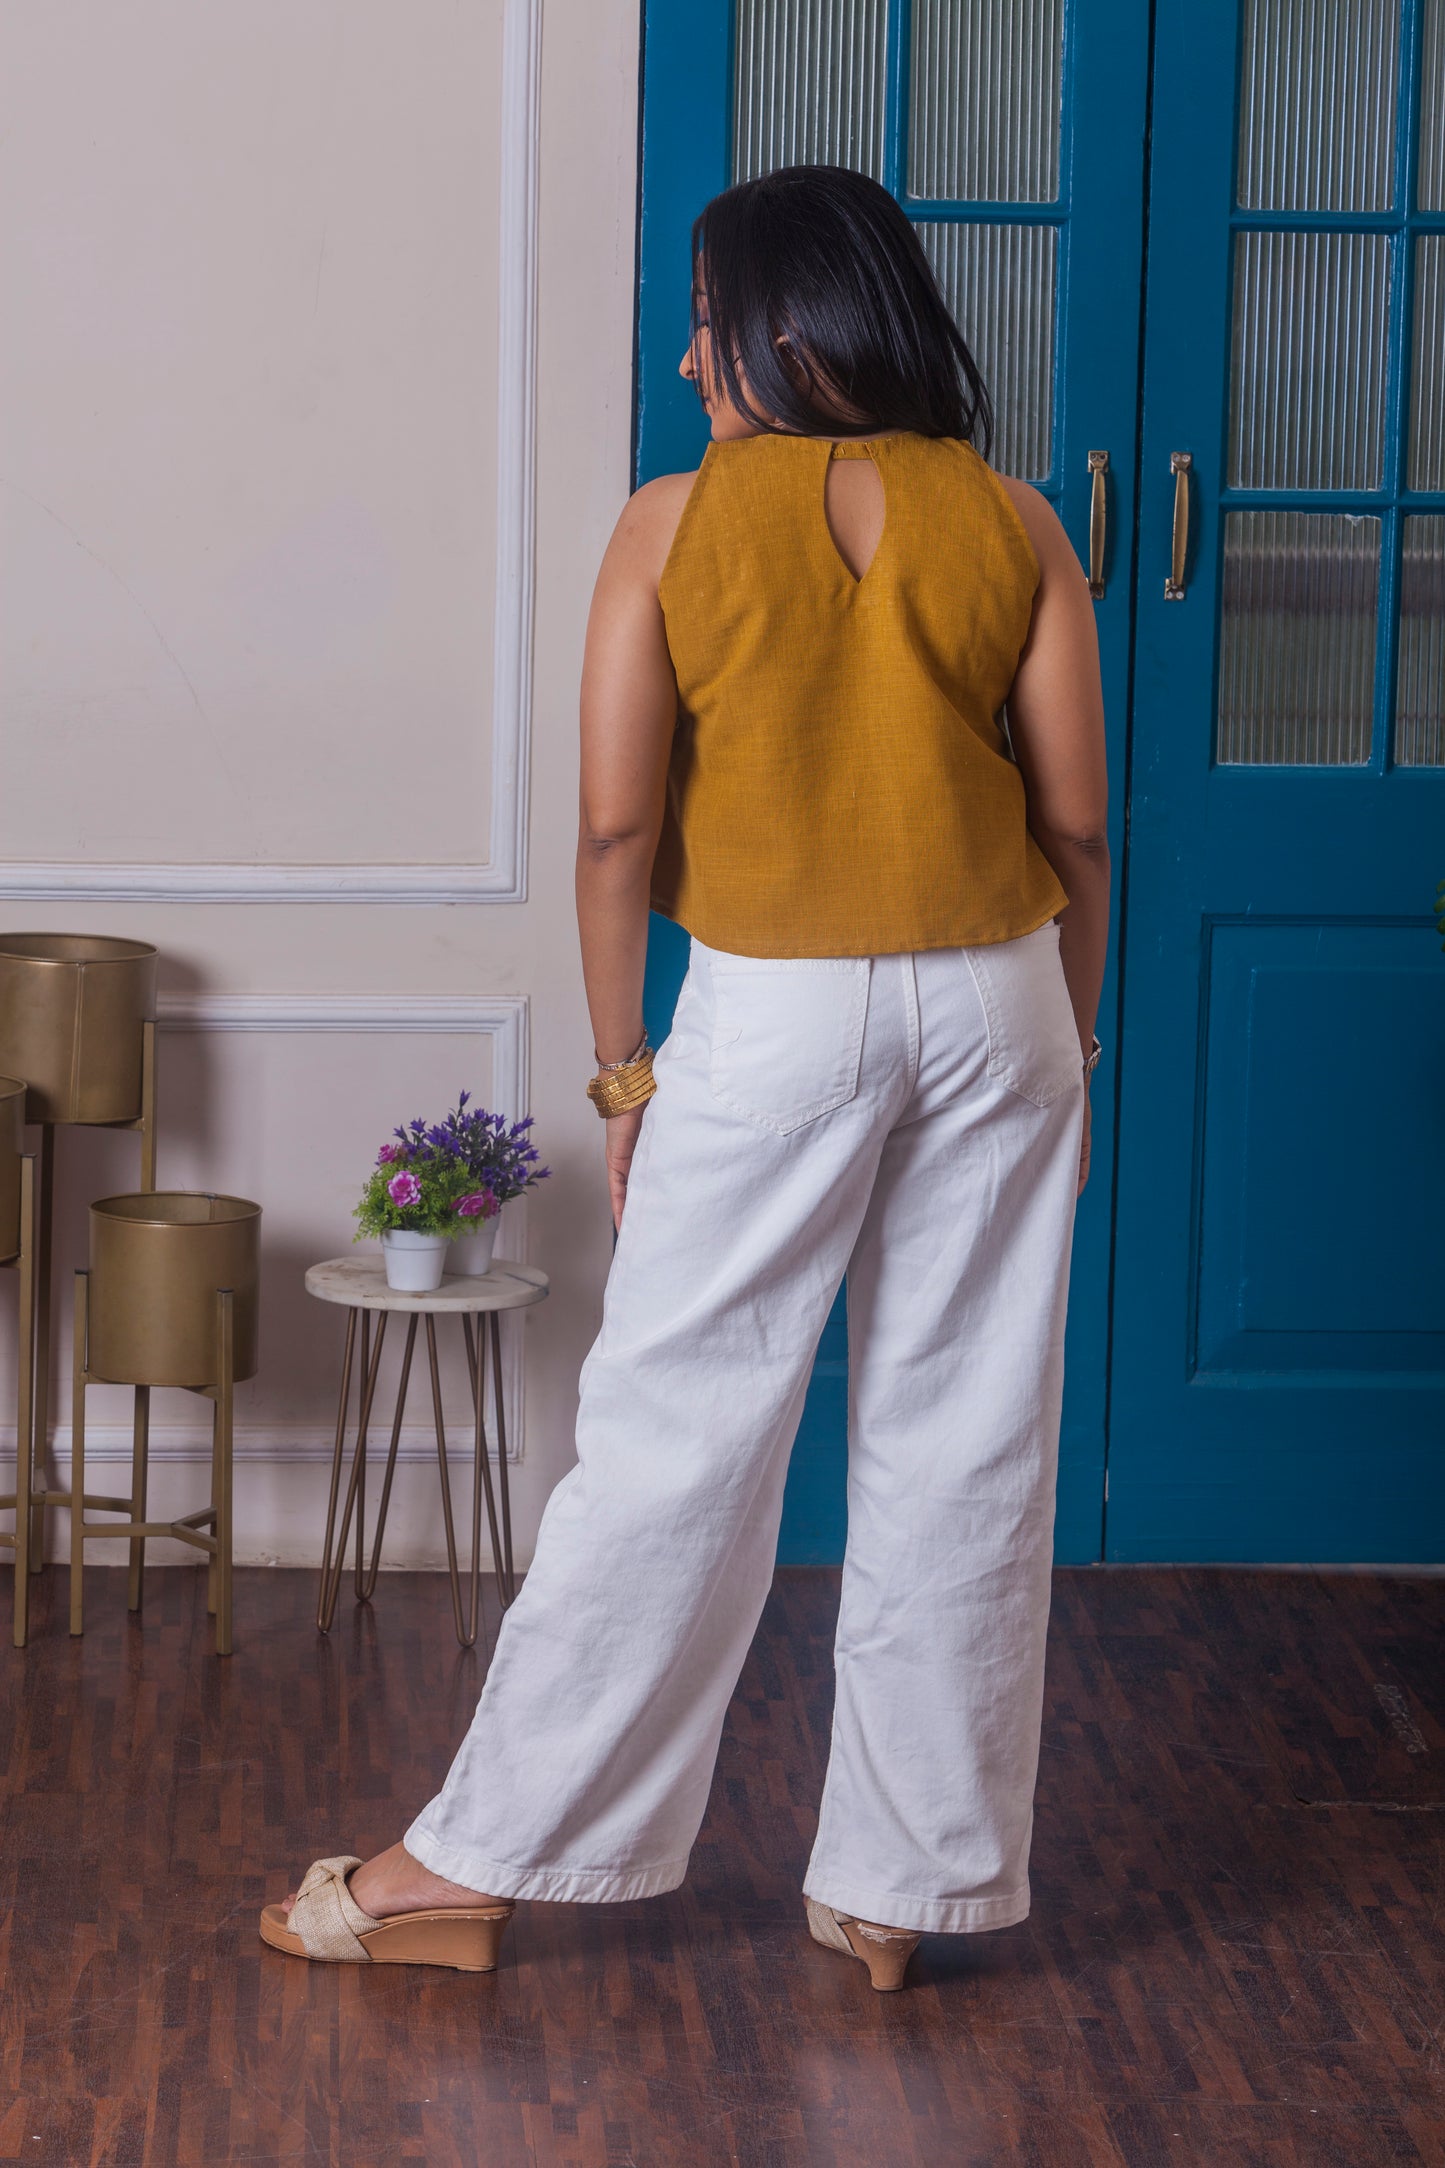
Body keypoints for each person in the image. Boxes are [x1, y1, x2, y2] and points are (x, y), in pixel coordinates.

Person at [261, 163, 1110, 1992]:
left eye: (708, 321)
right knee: (967, 1443)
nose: (685, 353)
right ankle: (900, 1890)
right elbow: (1080, 826)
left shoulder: (671, 521)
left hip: (778, 1008)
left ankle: (473, 1865)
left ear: (782, 334)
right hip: (1003, 995)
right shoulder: (1021, 522)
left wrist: (622, 1080)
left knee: (672, 1440)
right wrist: (1071, 1040)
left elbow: (616, 828)